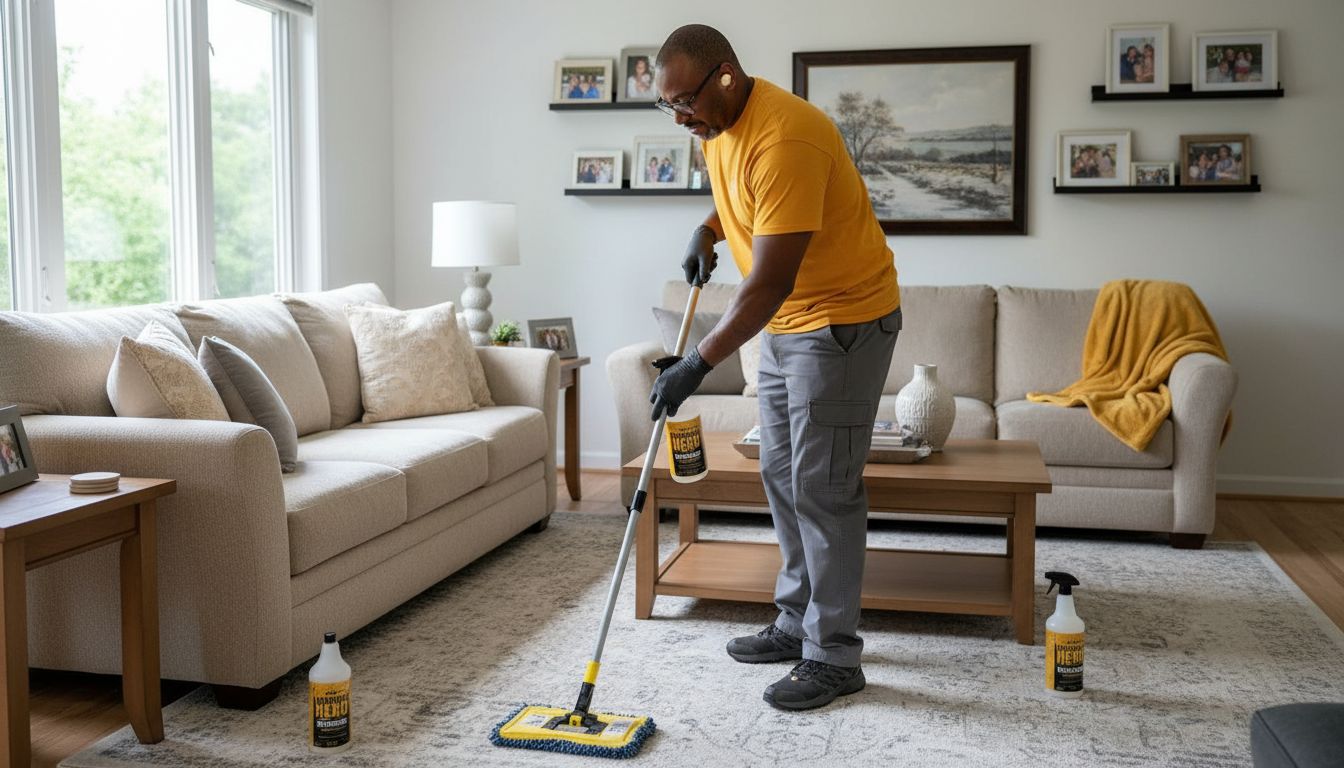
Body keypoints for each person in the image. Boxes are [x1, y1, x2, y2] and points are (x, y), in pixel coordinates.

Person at [648, 23, 901, 712]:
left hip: (841, 323)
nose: (680, 118)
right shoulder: (719, 125)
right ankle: (797, 622)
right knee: (782, 475)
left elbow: (768, 284)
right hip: (792, 328)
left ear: (725, 76)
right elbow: (746, 203)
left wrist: (695, 364)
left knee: (823, 487)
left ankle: (833, 656)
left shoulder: (788, 135)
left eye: (685, 102)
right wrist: (706, 230)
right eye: (667, 106)